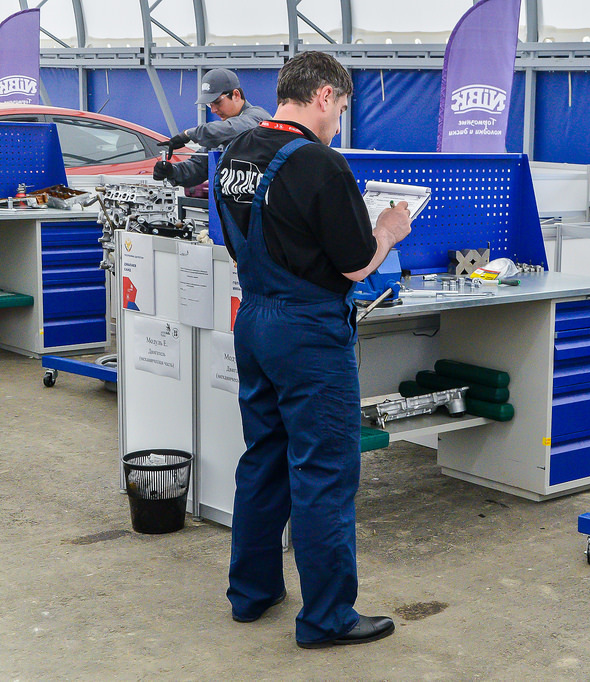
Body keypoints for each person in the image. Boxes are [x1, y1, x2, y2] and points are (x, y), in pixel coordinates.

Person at [214, 51, 412, 648]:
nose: (339, 121)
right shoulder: (321, 165)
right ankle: (326, 617)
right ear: (324, 95)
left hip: (254, 320)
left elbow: (236, 239)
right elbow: (355, 265)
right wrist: (388, 231)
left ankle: (251, 594)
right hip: (308, 333)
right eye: (342, 108)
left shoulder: (233, 155)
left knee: (265, 457)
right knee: (324, 471)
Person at [154, 68, 271, 188]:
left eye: (217, 102)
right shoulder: (222, 132)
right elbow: (199, 166)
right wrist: (172, 171)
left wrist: (188, 134)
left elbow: (234, 129)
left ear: (236, 94)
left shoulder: (257, 117)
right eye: (210, 105)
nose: (213, 110)